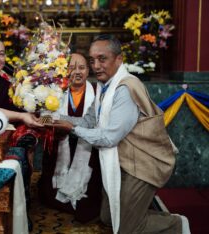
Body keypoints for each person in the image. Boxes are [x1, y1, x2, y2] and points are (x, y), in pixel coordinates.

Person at [50, 35, 190, 234]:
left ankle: (176, 224)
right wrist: (51, 118)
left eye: (102, 59)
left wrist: (70, 129)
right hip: (119, 162)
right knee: (108, 218)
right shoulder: (103, 87)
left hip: (141, 164)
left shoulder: (125, 88)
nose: (96, 65)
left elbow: (109, 138)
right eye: (92, 60)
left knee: (127, 229)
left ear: (119, 59)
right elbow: (88, 122)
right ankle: (143, 217)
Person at [38, 53, 102, 222]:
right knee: (48, 193)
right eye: (71, 68)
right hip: (61, 145)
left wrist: (63, 122)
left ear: (88, 71)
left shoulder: (98, 93)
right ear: (65, 71)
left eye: (81, 67)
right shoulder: (54, 93)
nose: (77, 72)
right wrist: (52, 123)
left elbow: (96, 123)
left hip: (88, 149)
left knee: (88, 202)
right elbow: (42, 118)